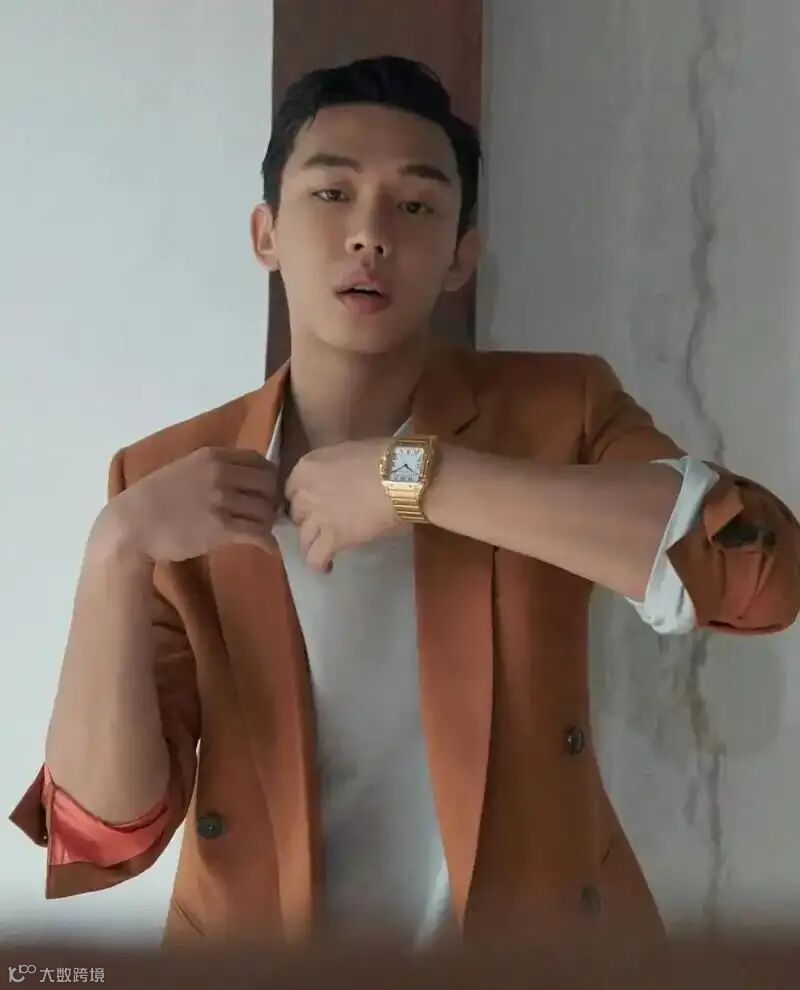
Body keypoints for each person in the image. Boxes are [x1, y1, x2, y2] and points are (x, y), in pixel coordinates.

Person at [9, 55, 800, 952]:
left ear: (461, 254)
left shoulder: (560, 410)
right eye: (331, 193)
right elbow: (105, 834)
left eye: (416, 205)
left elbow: (756, 579)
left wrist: (419, 479)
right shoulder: (166, 478)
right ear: (266, 234)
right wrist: (114, 550)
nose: (369, 234)